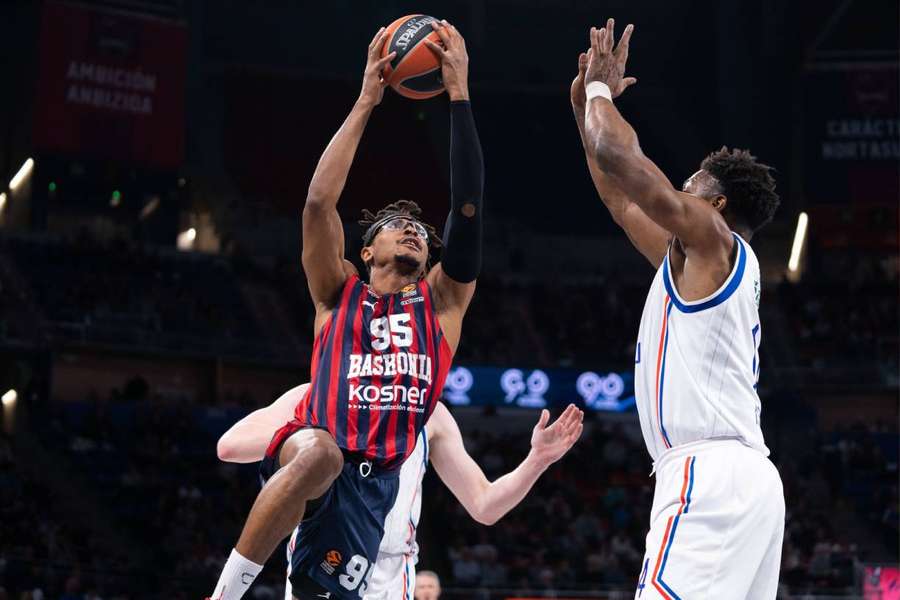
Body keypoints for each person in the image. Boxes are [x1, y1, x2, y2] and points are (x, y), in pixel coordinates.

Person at [209, 20, 486, 600]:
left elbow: (466, 213)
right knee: (320, 452)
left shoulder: (441, 307)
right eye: (397, 227)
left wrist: (458, 96)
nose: (413, 231)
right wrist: (367, 99)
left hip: (371, 495)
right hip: (316, 452)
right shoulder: (338, 295)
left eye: (420, 230)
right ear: (366, 250)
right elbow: (317, 202)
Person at [572, 18, 785, 600]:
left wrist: (599, 94)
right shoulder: (698, 265)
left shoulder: (712, 236)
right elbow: (619, 197)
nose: (678, 194)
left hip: (708, 474)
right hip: (745, 480)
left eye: (690, 185)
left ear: (715, 203)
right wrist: (583, 106)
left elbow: (623, 157)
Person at [217, 384, 584, 600]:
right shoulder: (322, 392)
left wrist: (537, 460)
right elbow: (231, 446)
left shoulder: (431, 413)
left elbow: (485, 505)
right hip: (324, 559)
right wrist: (315, 435)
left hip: (394, 573)